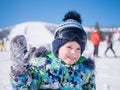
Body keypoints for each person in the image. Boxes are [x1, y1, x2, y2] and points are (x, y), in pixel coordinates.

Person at [10, 11, 96, 90]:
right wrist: (19, 72)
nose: (74, 52)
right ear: (57, 48)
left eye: (78, 49)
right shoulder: (41, 66)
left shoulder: (86, 71)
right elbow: (25, 87)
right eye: (69, 47)